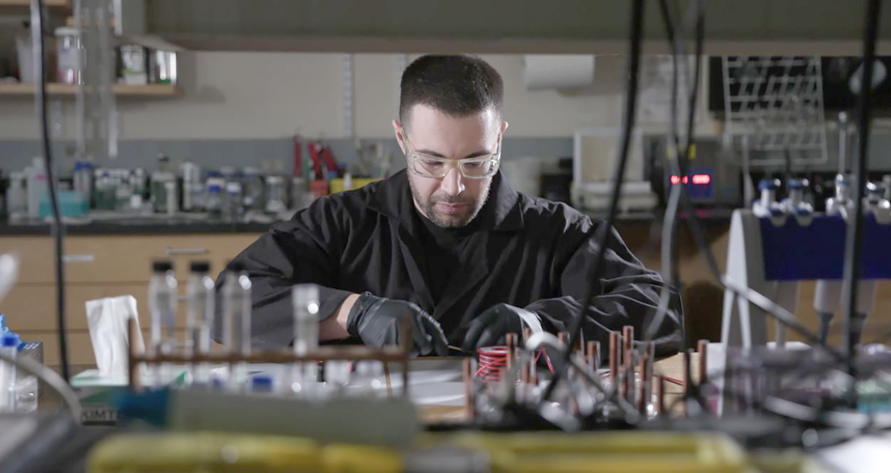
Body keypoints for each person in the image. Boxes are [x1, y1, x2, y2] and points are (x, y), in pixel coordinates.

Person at [214, 55, 682, 356]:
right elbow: (227, 304)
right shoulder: (342, 223)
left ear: (499, 139)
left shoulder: (558, 232)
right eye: (432, 161)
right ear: (401, 138)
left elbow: (659, 310)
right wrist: (352, 312)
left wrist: (541, 323)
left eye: (477, 161)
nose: (454, 186)